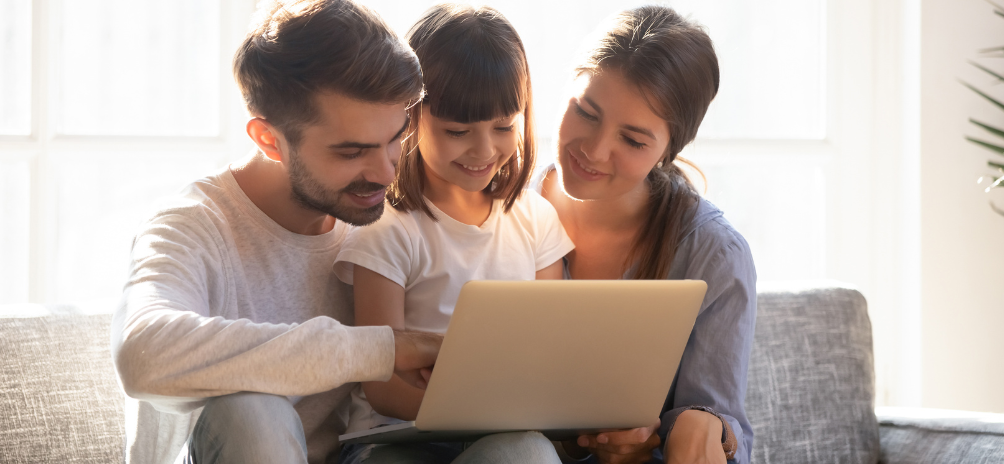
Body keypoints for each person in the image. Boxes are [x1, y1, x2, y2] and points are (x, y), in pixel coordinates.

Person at [109, 1, 529, 463]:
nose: (386, 173)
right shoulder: (192, 226)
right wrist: (384, 349)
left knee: (521, 450)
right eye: (352, 152)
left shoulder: (382, 222)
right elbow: (142, 355)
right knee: (253, 411)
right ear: (269, 139)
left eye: (396, 137)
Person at [332, 4, 574, 463]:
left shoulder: (535, 219)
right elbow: (380, 379)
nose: (484, 150)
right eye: (458, 130)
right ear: (409, 119)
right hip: (394, 438)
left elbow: (549, 348)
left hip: (496, 436)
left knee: (528, 452)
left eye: (504, 126)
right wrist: (469, 414)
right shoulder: (388, 228)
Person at [537, 6, 757, 464]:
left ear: (667, 150)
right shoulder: (501, 208)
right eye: (585, 112)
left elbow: (721, 432)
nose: (594, 151)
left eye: (633, 141)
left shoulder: (712, 253)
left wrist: (663, 437)